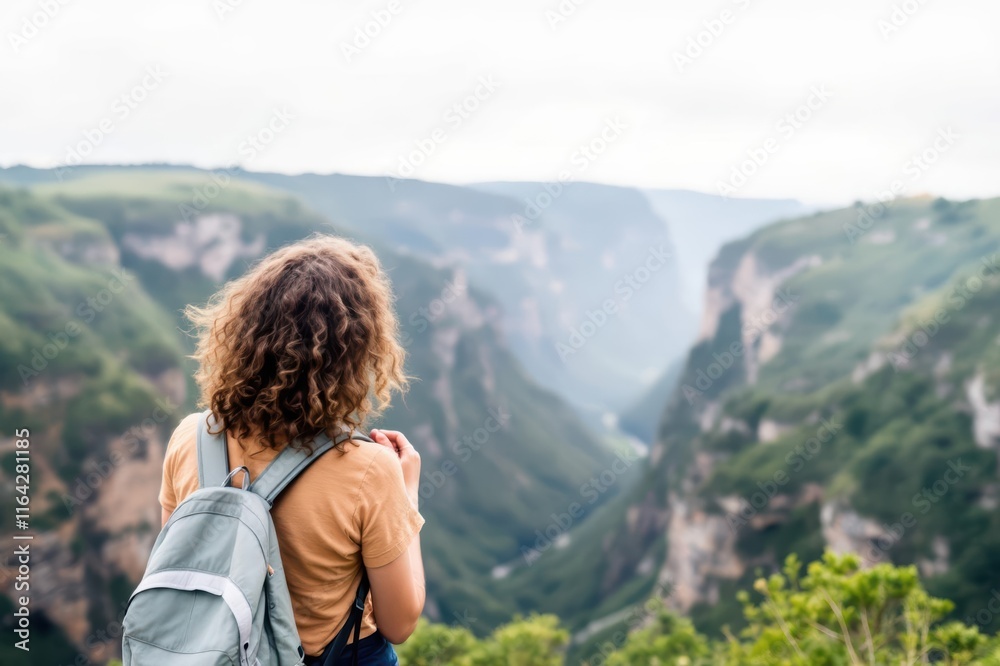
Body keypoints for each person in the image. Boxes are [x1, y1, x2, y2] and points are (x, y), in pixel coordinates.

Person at [158, 235, 425, 665]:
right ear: (356, 354)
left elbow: (182, 564)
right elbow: (400, 623)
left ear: (244, 333)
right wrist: (406, 495)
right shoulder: (369, 470)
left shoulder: (190, 437)